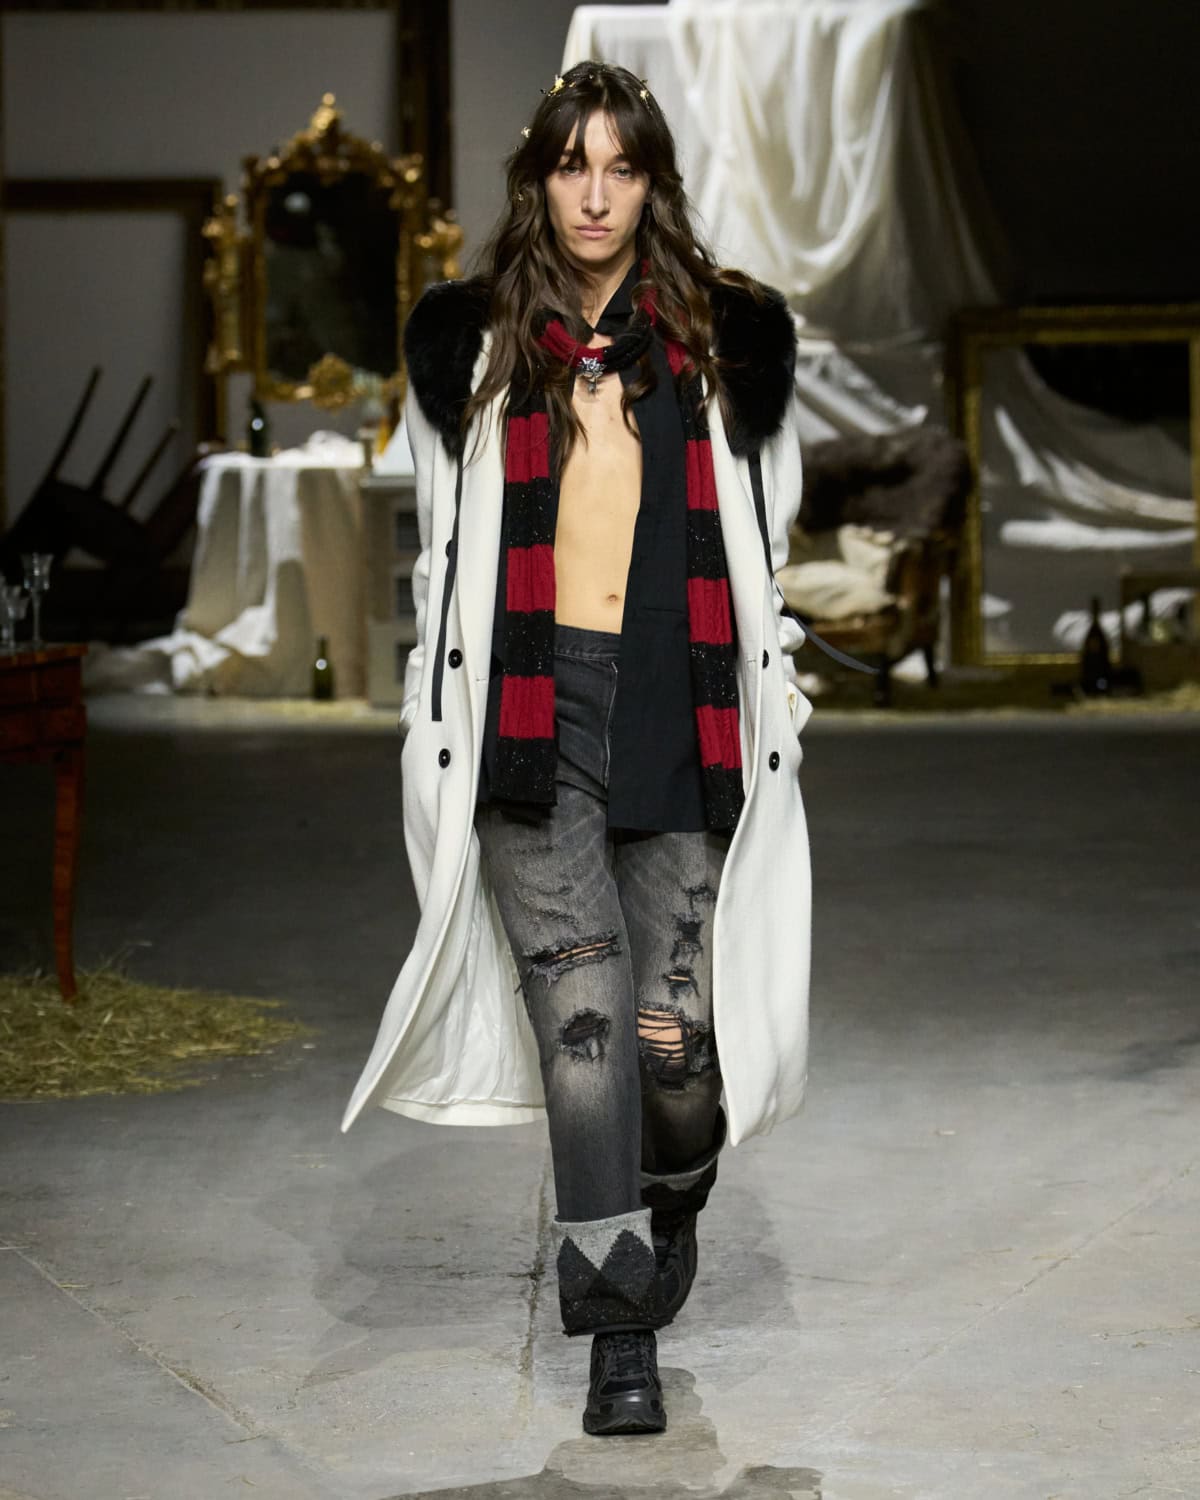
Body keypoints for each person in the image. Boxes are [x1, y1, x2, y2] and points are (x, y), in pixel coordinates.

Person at [342, 60, 814, 1437]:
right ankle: (618, 1335)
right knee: (588, 1029)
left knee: (677, 1049)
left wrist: (781, 695)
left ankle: (675, 1190)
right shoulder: (472, 347)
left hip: (685, 709)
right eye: (571, 166)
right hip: (533, 722)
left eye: (622, 166)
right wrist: (431, 716)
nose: (596, 194)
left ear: (653, 183)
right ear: (537, 181)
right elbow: (440, 555)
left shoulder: (727, 342)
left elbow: (766, 544)